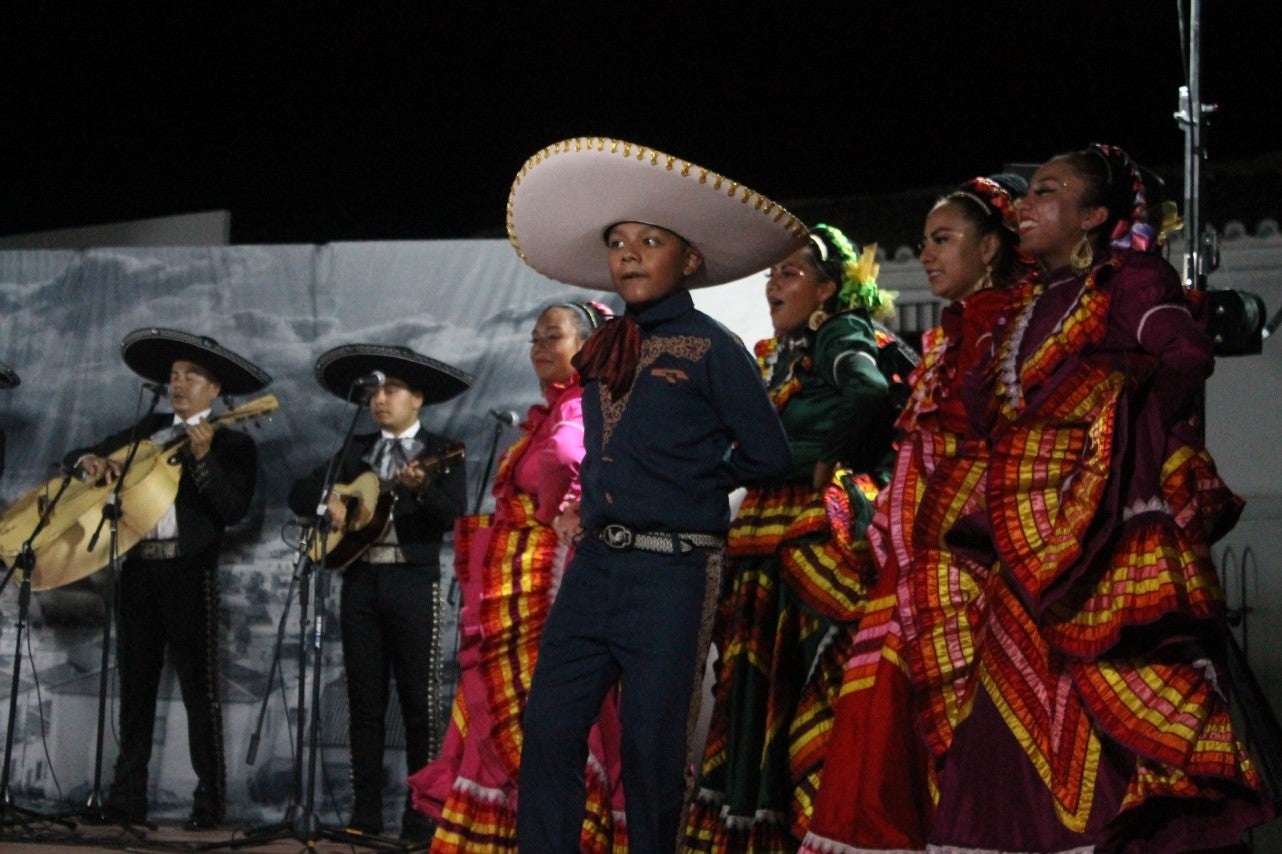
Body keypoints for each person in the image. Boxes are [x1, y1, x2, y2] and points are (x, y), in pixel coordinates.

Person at [930, 144, 1273, 850]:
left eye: (1049, 192)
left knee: (1116, 711)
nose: (1028, 203)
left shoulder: (1132, 283)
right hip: (1025, 548)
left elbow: (1184, 358)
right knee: (1007, 723)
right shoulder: (1024, 309)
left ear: (1092, 216)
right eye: (1029, 194)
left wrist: (1119, 457)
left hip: (1108, 548)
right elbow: (991, 412)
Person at [505, 136, 798, 852]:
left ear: (689, 259)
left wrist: (696, 477)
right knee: (547, 727)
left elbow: (770, 452)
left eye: (650, 240)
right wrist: (590, 498)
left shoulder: (713, 347)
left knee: (651, 751)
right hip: (596, 569)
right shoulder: (606, 347)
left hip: (673, 569)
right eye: (618, 242)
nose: (630, 253)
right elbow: (603, 446)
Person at [798, 175, 1031, 853]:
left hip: (973, 571)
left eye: (943, 239)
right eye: (924, 240)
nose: (926, 253)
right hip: (913, 569)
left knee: (953, 746)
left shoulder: (1011, 329)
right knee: (883, 740)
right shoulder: (952, 335)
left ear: (991, 246)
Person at [683, 223, 903, 851]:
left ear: (830, 288)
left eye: (790, 272)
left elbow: (870, 392)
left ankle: (814, 826)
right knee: (753, 687)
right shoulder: (780, 353)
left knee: (800, 683)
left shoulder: (840, 334)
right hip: (761, 537)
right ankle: (761, 828)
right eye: (771, 273)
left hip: (807, 533)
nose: (772, 282)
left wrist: (831, 461)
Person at [406, 301, 628, 852]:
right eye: (534, 336)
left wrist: (558, 511)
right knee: (519, 716)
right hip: (531, 584)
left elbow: (562, 458)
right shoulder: (567, 405)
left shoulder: (580, 404)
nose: (538, 346)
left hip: (543, 588)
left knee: (527, 718)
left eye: (553, 335)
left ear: (589, 345)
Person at [66, 328, 270, 829]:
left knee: (200, 693)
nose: (178, 383)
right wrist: (87, 463)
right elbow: (78, 459)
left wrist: (202, 461)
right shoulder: (145, 431)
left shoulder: (233, 442)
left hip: (188, 570)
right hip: (137, 570)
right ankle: (124, 802)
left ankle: (209, 805)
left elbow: (232, 509)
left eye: (191, 376)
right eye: (174, 376)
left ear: (214, 390)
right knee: (134, 692)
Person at [288, 344, 472, 842]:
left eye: (391, 390)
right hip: (361, 581)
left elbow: (454, 514)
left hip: (413, 581)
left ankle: (421, 816)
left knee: (417, 702)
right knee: (363, 701)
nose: (379, 399)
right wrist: (332, 503)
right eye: (374, 392)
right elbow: (300, 491)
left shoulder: (443, 451)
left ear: (417, 399)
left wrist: (419, 489)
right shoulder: (355, 451)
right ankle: (364, 814)